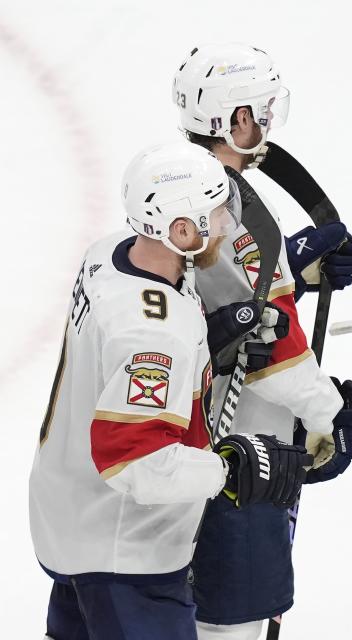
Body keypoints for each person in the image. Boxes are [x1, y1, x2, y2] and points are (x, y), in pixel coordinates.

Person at [29, 142, 313, 640]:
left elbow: (120, 355)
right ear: (180, 230)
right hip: (123, 555)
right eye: (214, 214)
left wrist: (215, 332)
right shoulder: (154, 336)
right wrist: (230, 469)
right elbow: (136, 462)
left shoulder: (112, 254)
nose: (226, 225)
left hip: (74, 518)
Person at [172, 43, 352, 639]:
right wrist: (327, 412)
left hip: (191, 428)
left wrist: (293, 269)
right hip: (241, 441)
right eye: (260, 110)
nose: (269, 123)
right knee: (235, 616)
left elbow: (228, 293)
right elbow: (272, 347)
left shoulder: (182, 185)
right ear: (234, 120)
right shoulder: (231, 202)